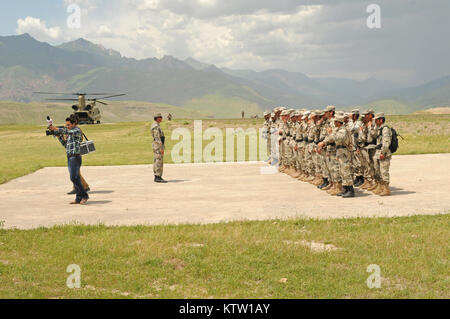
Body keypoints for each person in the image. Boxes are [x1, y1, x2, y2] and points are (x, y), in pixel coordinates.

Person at [49, 115, 89, 205]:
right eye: (66, 125)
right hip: (70, 157)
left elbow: (66, 131)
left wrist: (55, 128)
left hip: (75, 157)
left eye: (68, 125)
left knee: (74, 178)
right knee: (75, 178)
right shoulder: (69, 134)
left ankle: (84, 195)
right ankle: (79, 198)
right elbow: (65, 144)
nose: (67, 126)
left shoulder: (77, 131)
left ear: (74, 124)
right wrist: (58, 135)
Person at [373, 112, 392, 196]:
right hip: (379, 152)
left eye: (376, 120)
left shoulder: (385, 129)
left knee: (384, 171)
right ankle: (381, 187)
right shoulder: (379, 128)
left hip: (384, 153)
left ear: (381, 120)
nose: (375, 122)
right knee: (378, 171)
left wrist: (383, 152)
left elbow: (386, 142)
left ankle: (386, 189)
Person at [152, 113, 167, 183]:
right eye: (160, 117)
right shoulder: (155, 126)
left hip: (157, 146)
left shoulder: (157, 125)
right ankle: (157, 176)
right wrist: (161, 148)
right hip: (158, 146)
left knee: (157, 160)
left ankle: (157, 176)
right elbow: (157, 138)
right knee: (158, 161)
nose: (161, 118)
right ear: (157, 118)